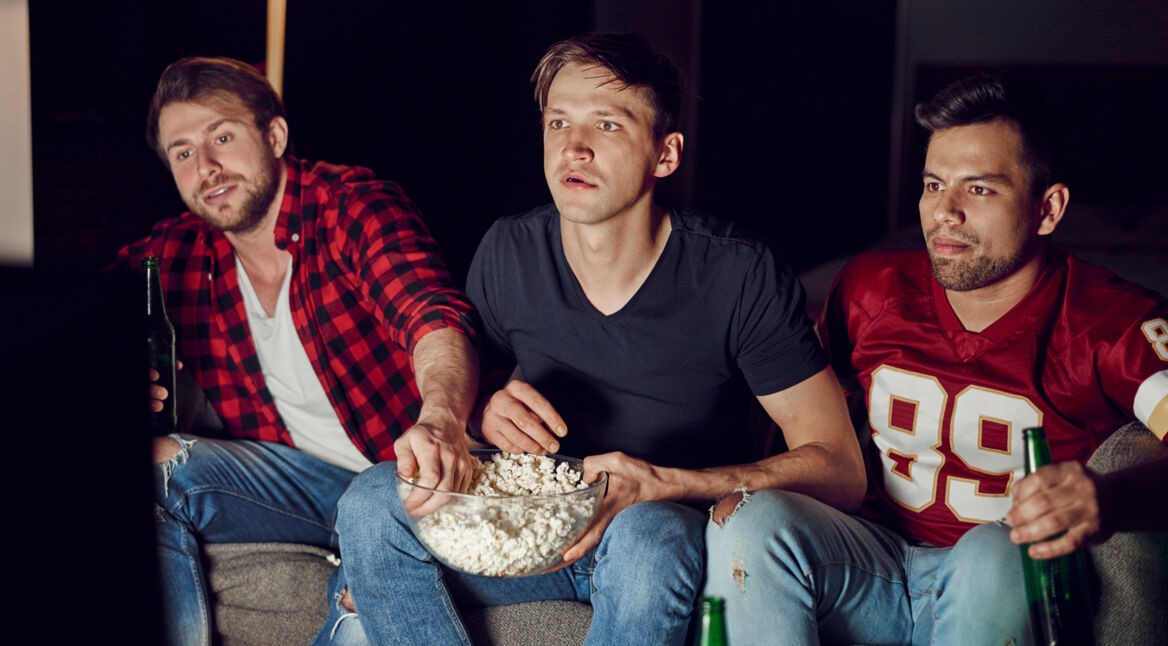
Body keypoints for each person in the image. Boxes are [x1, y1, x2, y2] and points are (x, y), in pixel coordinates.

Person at [320, 32, 866, 645]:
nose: (573, 149)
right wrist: (481, 408)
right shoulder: (508, 250)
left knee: (646, 532)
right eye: (558, 122)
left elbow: (840, 468)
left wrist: (669, 483)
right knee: (370, 500)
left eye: (606, 125)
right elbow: (481, 400)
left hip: (658, 539)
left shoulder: (737, 272)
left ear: (666, 154)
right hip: (535, 526)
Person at [703, 73, 1168, 645]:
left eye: (979, 190)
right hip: (869, 561)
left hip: (1001, 580)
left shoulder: (1109, 318)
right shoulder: (871, 287)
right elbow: (791, 411)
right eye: (932, 185)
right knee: (748, 518)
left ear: (1047, 209)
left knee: (993, 551)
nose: (944, 212)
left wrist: (1111, 497)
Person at [114, 56, 480, 646]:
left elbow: (431, 315)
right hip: (298, 486)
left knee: (367, 598)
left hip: (403, 480)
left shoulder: (352, 206)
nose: (206, 167)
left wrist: (440, 416)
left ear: (275, 136)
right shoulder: (176, 254)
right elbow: (59, 321)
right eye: (183, 153)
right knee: (151, 466)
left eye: (223, 138)